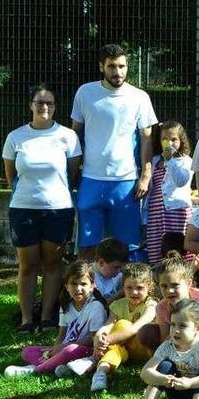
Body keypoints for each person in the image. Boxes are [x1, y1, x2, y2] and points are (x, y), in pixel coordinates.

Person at [3, 84, 82, 334]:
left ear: (55, 106)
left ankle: (48, 317)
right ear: (31, 105)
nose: (44, 106)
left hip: (58, 208)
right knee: (27, 266)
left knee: (52, 264)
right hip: (23, 208)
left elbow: (72, 174)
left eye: (49, 102)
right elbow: (10, 176)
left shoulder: (68, 136)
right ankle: (27, 319)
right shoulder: (15, 137)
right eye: (39, 102)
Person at [71, 44, 157, 260]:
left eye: (122, 66)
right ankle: (86, 292)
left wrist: (146, 175)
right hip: (90, 180)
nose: (117, 72)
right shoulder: (85, 92)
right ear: (102, 67)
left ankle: (131, 293)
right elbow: (75, 136)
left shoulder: (140, 97)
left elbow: (147, 139)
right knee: (87, 248)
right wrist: (72, 173)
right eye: (111, 66)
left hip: (126, 183)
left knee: (130, 248)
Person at [5, 262, 108, 377]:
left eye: (83, 284)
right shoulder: (66, 305)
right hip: (65, 348)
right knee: (27, 351)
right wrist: (55, 349)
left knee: (69, 350)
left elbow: (92, 339)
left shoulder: (96, 306)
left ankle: (35, 370)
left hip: (85, 351)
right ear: (66, 286)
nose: (78, 288)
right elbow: (61, 334)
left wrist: (64, 347)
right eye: (73, 284)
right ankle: (61, 365)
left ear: (92, 285)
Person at [89, 262, 159, 391]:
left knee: (122, 324)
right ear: (123, 287)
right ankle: (100, 373)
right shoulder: (118, 305)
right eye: (129, 288)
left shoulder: (151, 305)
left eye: (139, 288)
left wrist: (106, 341)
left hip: (144, 349)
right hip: (124, 347)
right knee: (114, 349)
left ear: (149, 287)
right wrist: (99, 337)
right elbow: (107, 325)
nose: (134, 292)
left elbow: (135, 328)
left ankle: (91, 360)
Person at [146, 121, 193, 266]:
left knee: (176, 250)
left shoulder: (185, 161)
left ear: (181, 140)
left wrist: (170, 160)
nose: (169, 143)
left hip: (177, 212)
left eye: (174, 139)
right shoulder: (154, 161)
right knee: (156, 249)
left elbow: (181, 181)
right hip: (156, 212)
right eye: (165, 139)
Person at [155, 252, 199, 343]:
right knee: (147, 332)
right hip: (180, 344)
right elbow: (164, 339)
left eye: (175, 285)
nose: (169, 291)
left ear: (189, 284)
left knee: (193, 328)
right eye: (164, 286)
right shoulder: (162, 307)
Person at [92, 238, 129, 303]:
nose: (119, 271)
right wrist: (119, 294)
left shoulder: (118, 276)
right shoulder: (88, 277)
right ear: (101, 262)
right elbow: (99, 306)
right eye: (116, 267)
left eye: (121, 268)